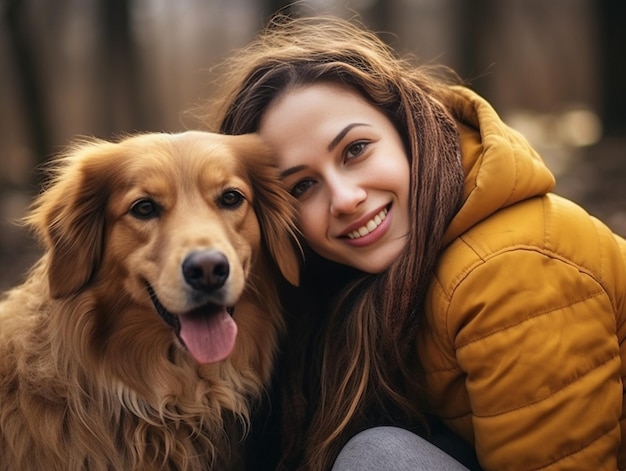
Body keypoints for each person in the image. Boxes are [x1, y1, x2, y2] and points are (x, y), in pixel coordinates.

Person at [201, 14, 626, 471]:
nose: (345, 199)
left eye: (356, 150)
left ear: (405, 131)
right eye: (303, 186)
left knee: (377, 457)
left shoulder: (510, 270)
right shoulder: (369, 286)